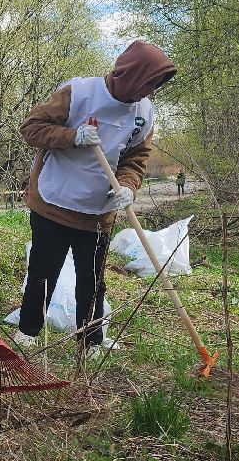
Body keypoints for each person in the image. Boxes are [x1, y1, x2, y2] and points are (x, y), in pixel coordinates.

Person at [12, 43, 175, 352]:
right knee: (43, 272)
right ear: (129, 74)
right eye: (148, 82)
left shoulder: (144, 114)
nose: (149, 91)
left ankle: (90, 339)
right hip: (54, 202)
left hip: (99, 211)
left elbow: (135, 159)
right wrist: (73, 137)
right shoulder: (79, 92)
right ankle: (28, 331)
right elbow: (31, 128)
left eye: (155, 85)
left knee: (93, 282)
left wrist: (127, 186)